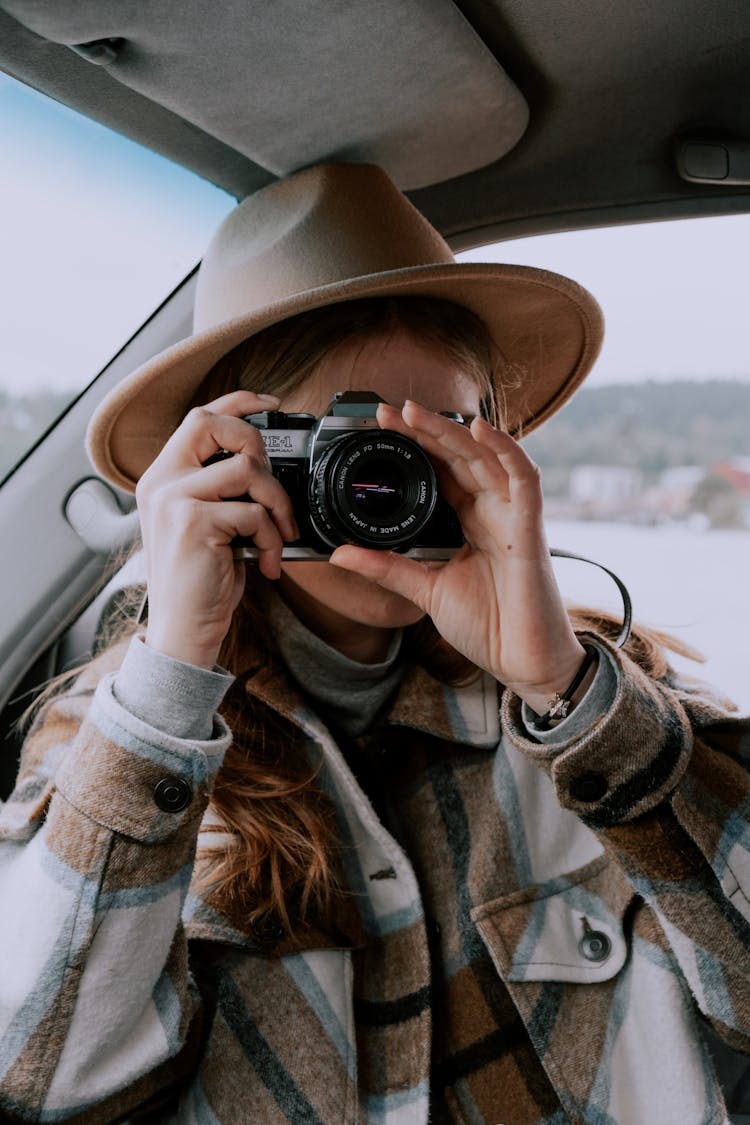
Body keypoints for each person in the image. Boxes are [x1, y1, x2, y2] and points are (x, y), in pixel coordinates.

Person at [1, 162, 749, 1125]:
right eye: (339, 446)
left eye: (437, 441)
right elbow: (35, 1076)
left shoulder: (602, 701)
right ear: (231, 464)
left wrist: (566, 689)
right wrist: (174, 667)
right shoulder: (123, 733)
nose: (389, 482)